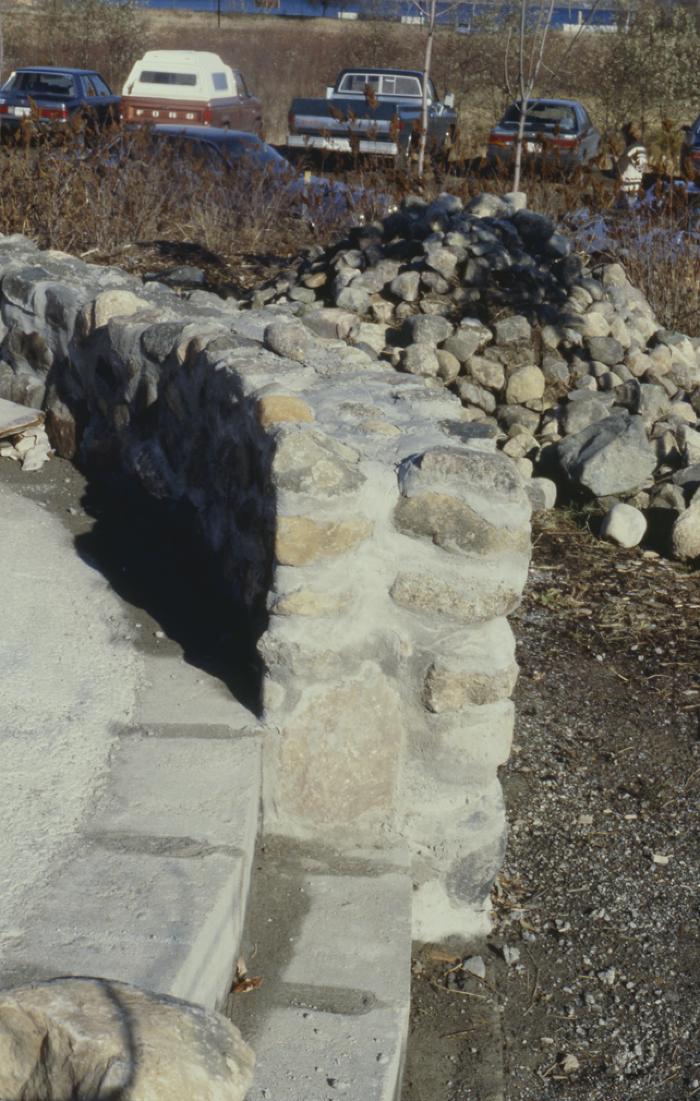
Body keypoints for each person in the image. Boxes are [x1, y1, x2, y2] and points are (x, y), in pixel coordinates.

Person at [616, 122, 648, 205]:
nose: (624, 139)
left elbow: (621, 166)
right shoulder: (642, 148)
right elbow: (642, 167)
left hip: (627, 184)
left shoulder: (630, 149)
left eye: (624, 136)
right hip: (637, 183)